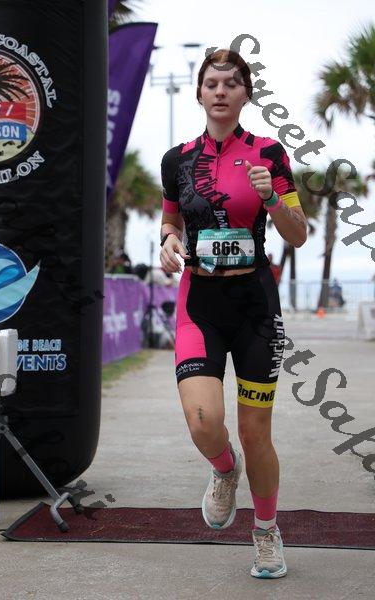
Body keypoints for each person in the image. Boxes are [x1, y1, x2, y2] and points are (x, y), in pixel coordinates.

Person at [159, 48, 307, 579]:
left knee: (255, 431)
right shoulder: (177, 160)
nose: (220, 91)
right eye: (212, 83)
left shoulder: (269, 153)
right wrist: (167, 242)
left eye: (231, 83)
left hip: (254, 308)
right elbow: (170, 221)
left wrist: (273, 201)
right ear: (199, 93)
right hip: (199, 305)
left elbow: (298, 233)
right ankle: (225, 471)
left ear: (246, 93)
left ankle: (266, 531)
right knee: (204, 421)